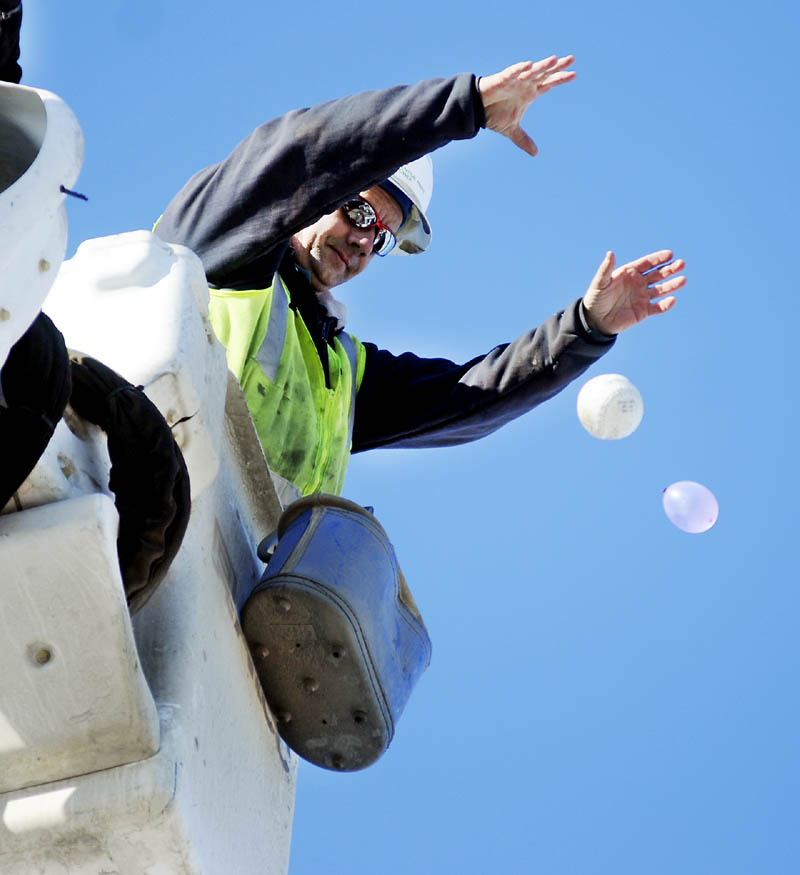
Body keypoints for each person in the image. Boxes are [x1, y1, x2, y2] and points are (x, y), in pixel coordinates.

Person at [154, 56, 685, 507]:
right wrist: (466, 107)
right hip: (156, 485)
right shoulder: (225, 250)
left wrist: (586, 328)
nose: (365, 241)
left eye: (382, 236)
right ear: (318, 198)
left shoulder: (339, 370)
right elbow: (297, 155)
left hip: (237, 585)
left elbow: (470, 398)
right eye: (360, 214)